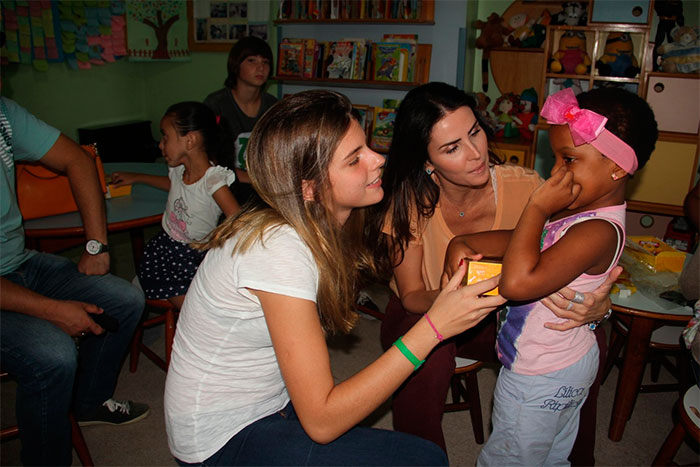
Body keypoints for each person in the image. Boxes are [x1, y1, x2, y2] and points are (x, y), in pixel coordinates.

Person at [163, 90, 506, 466]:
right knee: (422, 460)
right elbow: (323, 422)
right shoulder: (279, 250)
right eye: (355, 159)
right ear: (310, 188)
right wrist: (435, 327)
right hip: (218, 438)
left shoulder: (310, 226)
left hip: (268, 404)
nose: (379, 160)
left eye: (368, 147)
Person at [367, 82, 619, 464]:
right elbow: (413, 295)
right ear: (427, 161)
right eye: (452, 148)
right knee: (424, 355)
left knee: (586, 338)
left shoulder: (529, 188)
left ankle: (578, 460)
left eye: (475, 133)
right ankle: (419, 459)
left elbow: (590, 247)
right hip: (429, 308)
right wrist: (470, 293)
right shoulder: (407, 204)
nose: (475, 154)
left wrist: (599, 308)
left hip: (506, 318)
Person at [443, 87, 656, 465]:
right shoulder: (580, 213)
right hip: (559, 362)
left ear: (618, 166)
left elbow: (517, 284)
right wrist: (466, 240)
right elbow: (532, 241)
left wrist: (536, 206)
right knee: (549, 456)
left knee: (509, 458)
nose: (557, 171)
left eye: (569, 159)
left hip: (542, 372)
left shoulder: (597, 231)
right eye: (557, 158)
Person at [0, 97, 149, 466]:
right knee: (54, 354)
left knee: (126, 299)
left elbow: (78, 159)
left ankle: (88, 403)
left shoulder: (4, 113)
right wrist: (53, 311)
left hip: (19, 263)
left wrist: (96, 247)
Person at [111, 102, 239, 309]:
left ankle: (198, 317)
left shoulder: (213, 181)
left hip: (190, 256)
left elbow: (237, 218)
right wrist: (137, 177)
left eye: (165, 137)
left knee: (194, 309)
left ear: (190, 141)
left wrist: (218, 243)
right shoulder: (179, 170)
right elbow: (174, 187)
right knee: (156, 278)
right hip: (166, 247)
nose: (161, 145)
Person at [203, 36, 277, 205]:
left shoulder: (273, 106)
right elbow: (206, 157)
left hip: (263, 185)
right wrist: (248, 178)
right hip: (225, 184)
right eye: (252, 61)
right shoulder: (216, 104)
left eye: (265, 62)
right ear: (236, 65)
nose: (260, 67)